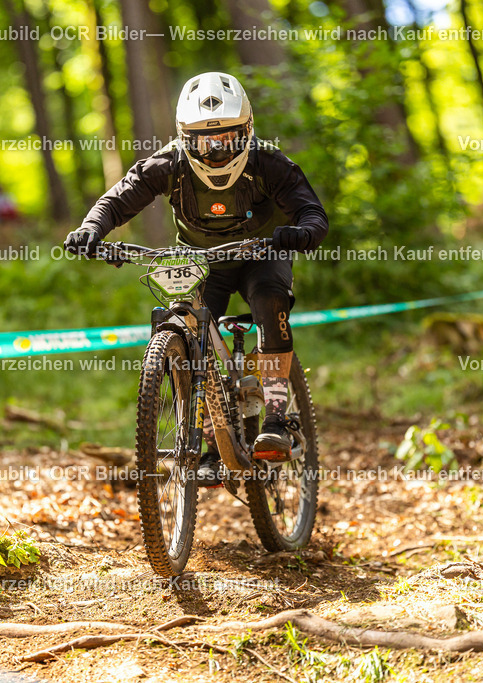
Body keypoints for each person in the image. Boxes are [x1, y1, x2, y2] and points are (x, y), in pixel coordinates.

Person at [64, 72, 328, 487]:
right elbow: (118, 199)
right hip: (202, 260)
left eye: (227, 139)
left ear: (248, 131)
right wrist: (91, 230)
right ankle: (206, 444)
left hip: (262, 255)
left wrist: (303, 232)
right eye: (205, 142)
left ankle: (277, 420)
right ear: (185, 138)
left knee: (269, 302)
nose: (217, 151)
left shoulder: (268, 162)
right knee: (185, 331)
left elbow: (312, 211)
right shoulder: (168, 164)